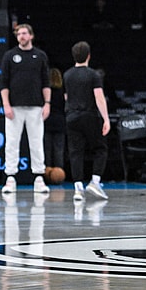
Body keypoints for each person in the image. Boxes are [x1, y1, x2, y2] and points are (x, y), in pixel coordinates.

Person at [0, 23, 51, 194]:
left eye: (24, 33)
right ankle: (10, 178)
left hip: (36, 107)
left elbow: (46, 82)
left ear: (31, 36)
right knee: (12, 143)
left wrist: (47, 103)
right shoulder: (10, 56)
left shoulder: (40, 56)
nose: (21, 36)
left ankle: (38, 177)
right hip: (14, 107)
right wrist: (6, 105)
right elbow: (4, 83)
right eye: (19, 34)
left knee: (36, 142)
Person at [63, 41, 110, 202]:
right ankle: (95, 181)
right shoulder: (93, 75)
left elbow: (67, 97)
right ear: (89, 55)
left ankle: (78, 190)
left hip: (71, 117)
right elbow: (99, 98)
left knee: (75, 152)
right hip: (89, 116)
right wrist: (106, 118)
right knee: (100, 148)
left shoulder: (67, 74)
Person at [44, 67, 66, 171]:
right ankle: (59, 171)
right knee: (59, 149)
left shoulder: (44, 93)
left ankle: (47, 172)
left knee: (46, 149)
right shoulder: (62, 93)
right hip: (60, 122)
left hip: (47, 121)